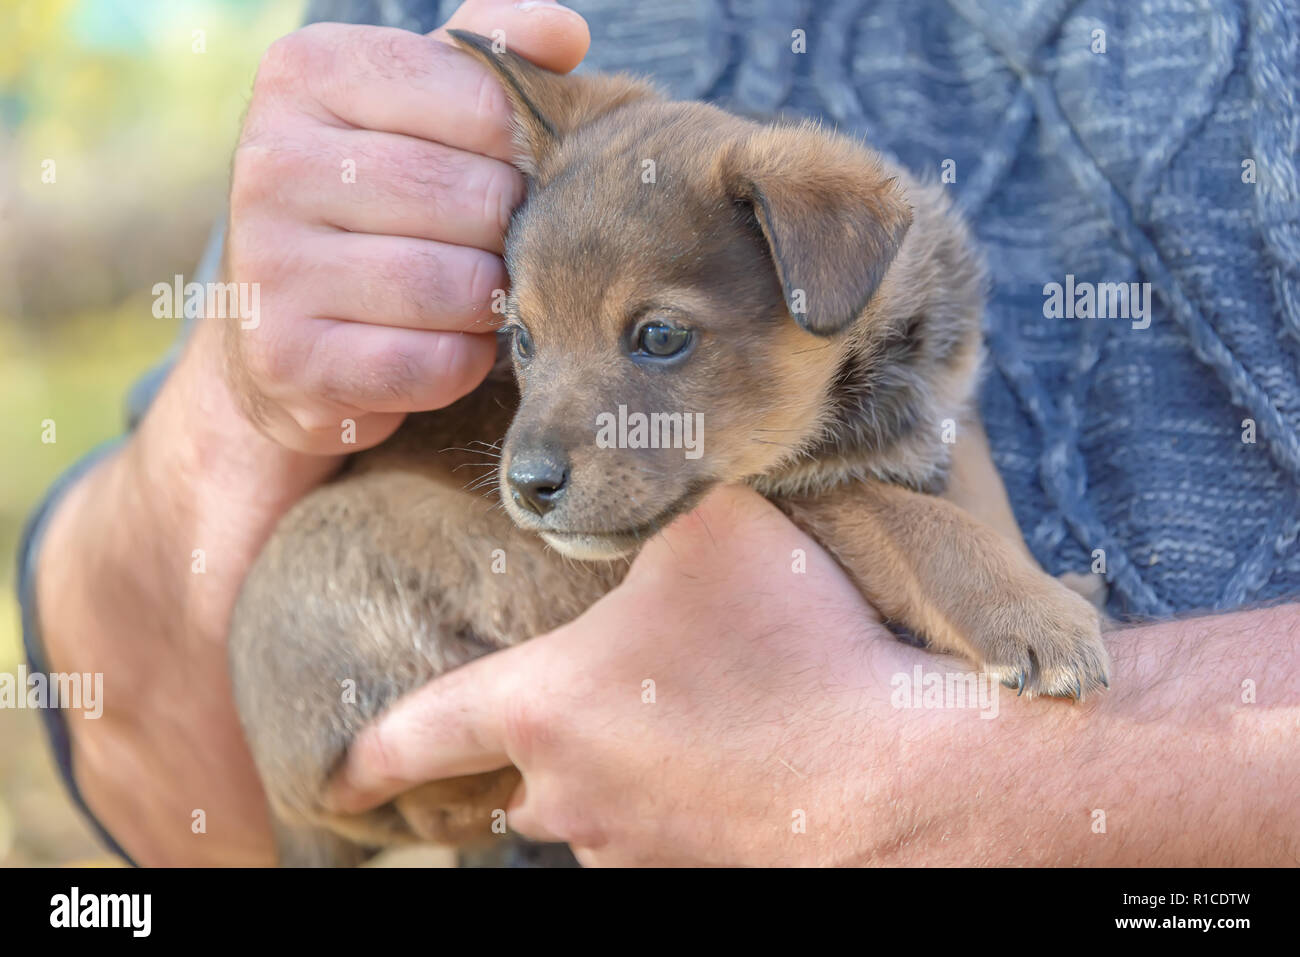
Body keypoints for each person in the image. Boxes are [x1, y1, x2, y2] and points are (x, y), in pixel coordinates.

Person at [19, 0, 1299, 866]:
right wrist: (241, 406)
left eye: (660, 340)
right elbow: (172, 801)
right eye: (525, 343)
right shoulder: (446, 59)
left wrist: (953, 784)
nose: (534, 441)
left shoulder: (835, 238)